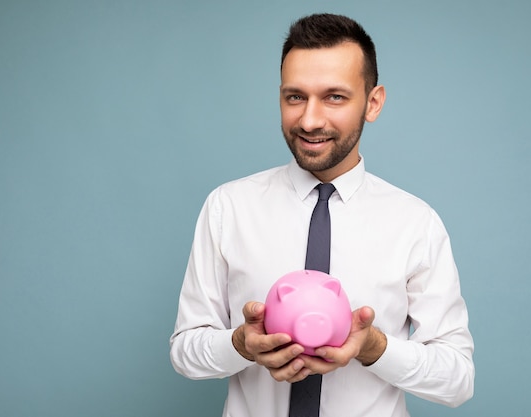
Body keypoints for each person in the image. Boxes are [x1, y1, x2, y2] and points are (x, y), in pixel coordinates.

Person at [169, 13, 474, 417]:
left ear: (373, 102)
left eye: (334, 97)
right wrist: (241, 344)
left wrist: (374, 348)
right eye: (295, 96)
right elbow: (185, 353)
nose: (310, 120)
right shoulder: (228, 207)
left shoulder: (415, 223)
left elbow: (457, 380)